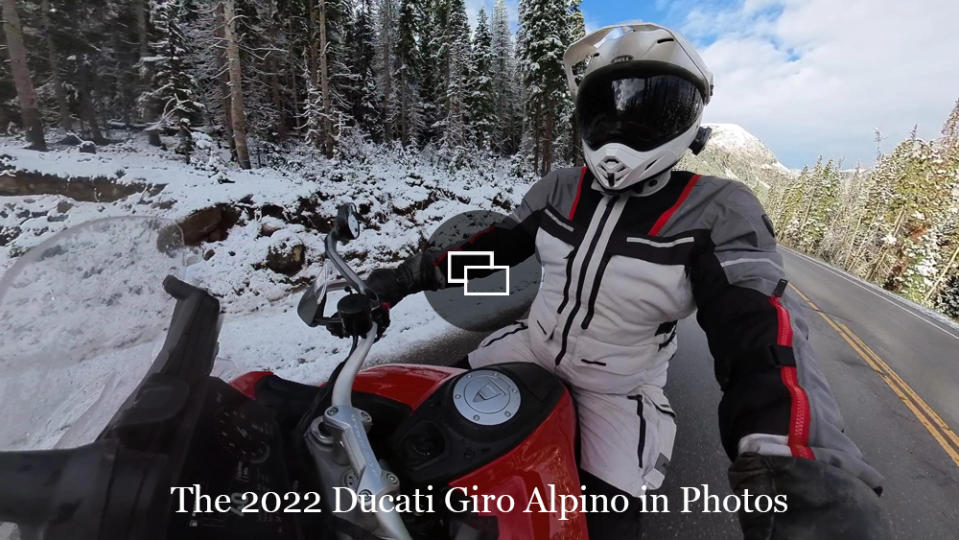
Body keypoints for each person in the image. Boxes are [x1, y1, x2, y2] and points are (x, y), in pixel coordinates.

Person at [367, 22, 889, 539]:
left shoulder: (717, 210)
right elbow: (495, 251)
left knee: (604, 524)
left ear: (690, 124)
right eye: (607, 111)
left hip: (617, 388)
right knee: (407, 437)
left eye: (652, 113)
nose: (621, 132)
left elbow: (757, 330)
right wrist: (402, 281)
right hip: (527, 347)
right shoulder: (560, 188)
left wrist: (796, 458)